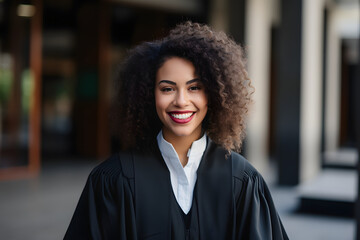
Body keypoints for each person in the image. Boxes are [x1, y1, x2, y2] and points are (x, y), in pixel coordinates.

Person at [64, 21, 288, 240]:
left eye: (194, 87)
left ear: (213, 94)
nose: (181, 101)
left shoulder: (242, 180)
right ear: (148, 95)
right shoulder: (112, 180)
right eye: (168, 88)